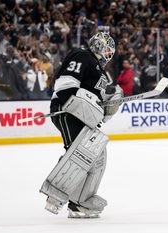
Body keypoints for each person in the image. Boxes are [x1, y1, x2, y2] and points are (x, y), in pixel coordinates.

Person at [40, 32, 123, 219]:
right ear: (99, 46)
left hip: (83, 116)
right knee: (80, 155)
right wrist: (79, 106)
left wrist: (109, 106)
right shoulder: (82, 56)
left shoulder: (101, 73)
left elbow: (97, 108)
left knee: (97, 155)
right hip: (67, 112)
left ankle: (82, 199)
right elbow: (65, 86)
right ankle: (66, 200)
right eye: (107, 49)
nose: (109, 54)